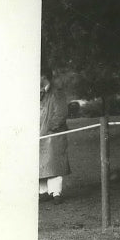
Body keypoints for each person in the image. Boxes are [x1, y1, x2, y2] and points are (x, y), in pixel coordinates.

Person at [39, 67, 71, 203]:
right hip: (39, 133)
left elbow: (61, 113)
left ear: (43, 77)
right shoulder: (37, 93)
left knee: (54, 162)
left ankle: (56, 192)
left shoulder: (57, 93)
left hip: (52, 134)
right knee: (39, 163)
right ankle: (43, 192)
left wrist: (49, 128)